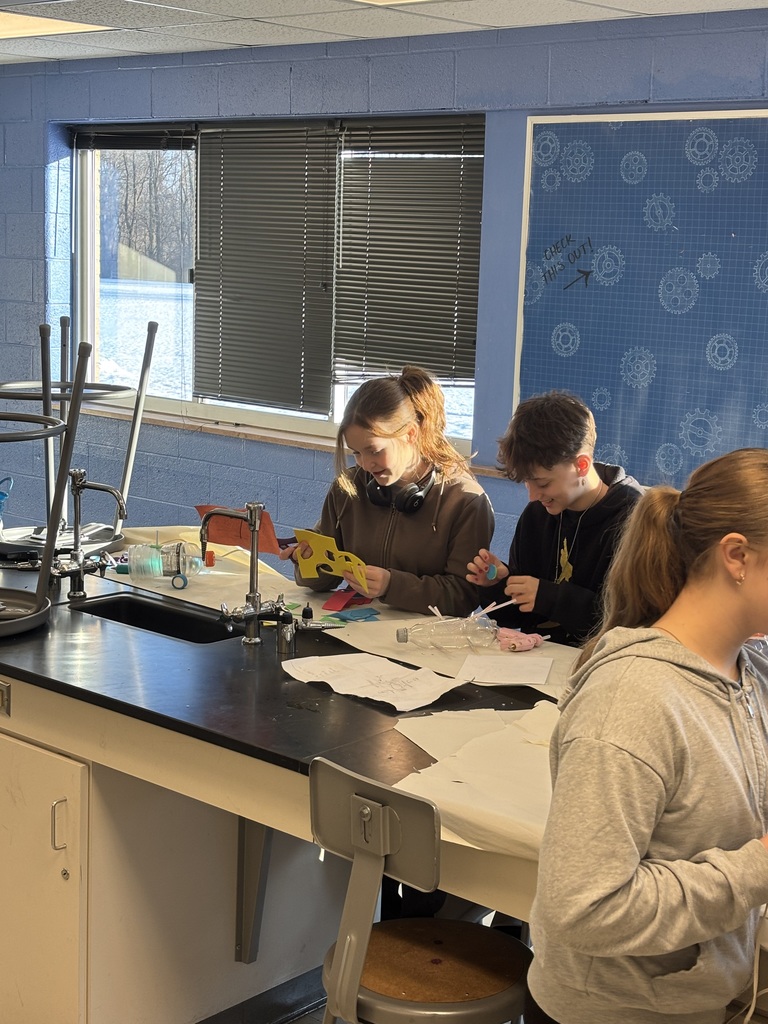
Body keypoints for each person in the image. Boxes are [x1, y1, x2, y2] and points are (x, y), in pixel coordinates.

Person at [528, 448, 768, 1024]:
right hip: (617, 1011)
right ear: (737, 556)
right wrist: (756, 870)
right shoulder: (632, 701)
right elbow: (581, 909)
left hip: (705, 996)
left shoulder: (748, 670)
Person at [281, 365, 494, 616]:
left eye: (374, 450)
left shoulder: (465, 501)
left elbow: (463, 597)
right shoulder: (347, 488)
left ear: (411, 434)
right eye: (356, 453)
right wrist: (307, 560)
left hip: (427, 646)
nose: (364, 464)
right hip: (356, 635)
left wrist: (392, 585)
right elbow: (322, 583)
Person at [466, 391, 643, 645]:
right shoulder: (537, 515)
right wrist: (498, 583)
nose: (533, 496)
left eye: (543, 483)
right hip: (537, 660)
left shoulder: (634, 519)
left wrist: (549, 597)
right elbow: (518, 618)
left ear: (581, 465)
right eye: (527, 482)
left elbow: (628, 623)